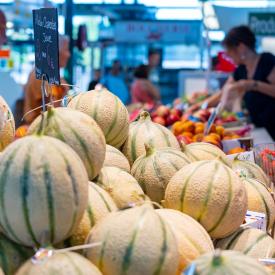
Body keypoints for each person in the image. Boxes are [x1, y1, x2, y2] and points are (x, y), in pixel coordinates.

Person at [190, 25, 275, 140]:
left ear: (241, 47)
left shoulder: (267, 61)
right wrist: (201, 106)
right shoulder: (240, 70)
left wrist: (252, 84)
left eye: (228, 51)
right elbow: (222, 93)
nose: (228, 56)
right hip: (259, 126)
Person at [23, 35, 70, 124]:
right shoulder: (41, 76)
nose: (68, 55)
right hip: (38, 128)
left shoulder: (55, 76)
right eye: (66, 49)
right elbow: (51, 112)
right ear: (56, 52)